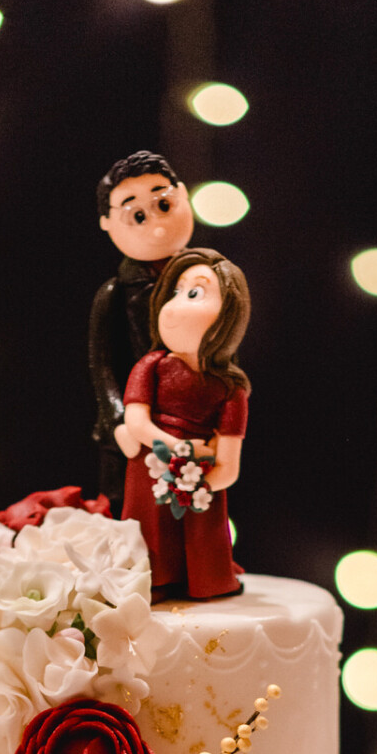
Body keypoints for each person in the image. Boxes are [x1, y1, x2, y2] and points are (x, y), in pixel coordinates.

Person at [120, 248, 251, 601]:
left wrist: (198, 486)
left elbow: (229, 465)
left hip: (199, 482)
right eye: (176, 292)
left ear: (229, 313)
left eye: (194, 293)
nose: (175, 306)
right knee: (150, 526)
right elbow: (136, 422)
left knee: (201, 531)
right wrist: (179, 449)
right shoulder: (151, 365)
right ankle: (152, 581)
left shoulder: (231, 389)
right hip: (150, 464)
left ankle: (205, 578)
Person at [89, 151, 195, 510]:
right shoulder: (115, 294)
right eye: (136, 214)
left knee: (190, 503)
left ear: (183, 195)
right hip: (131, 429)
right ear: (107, 223)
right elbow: (102, 367)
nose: (156, 224)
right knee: (126, 506)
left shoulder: (203, 280)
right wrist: (118, 421)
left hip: (191, 420)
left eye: (163, 204)